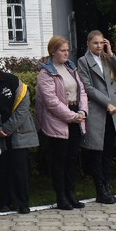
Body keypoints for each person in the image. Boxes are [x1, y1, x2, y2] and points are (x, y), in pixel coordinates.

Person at [76, 31, 116, 205]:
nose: (99, 46)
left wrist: (111, 54)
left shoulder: (107, 58)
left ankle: (108, 186)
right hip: (99, 110)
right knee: (97, 151)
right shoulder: (83, 61)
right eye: (95, 43)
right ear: (88, 44)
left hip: (114, 110)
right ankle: (100, 189)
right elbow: (88, 87)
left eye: (101, 43)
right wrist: (107, 103)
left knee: (108, 151)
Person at [36, 36, 88, 210]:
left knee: (72, 158)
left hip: (75, 115)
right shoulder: (46, 73)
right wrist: (70, 116)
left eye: (67, 50)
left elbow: (82, 92)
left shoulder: (71, 68)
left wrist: (82, 111)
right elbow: (51, 101)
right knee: (60, 159)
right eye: (62, 50)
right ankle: (61, 197)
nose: (66, 53)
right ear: (53, 52)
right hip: (58, 120)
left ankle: (71, 194)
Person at [0, 59, 36, 215]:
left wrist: (7, 128)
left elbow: (23, 108)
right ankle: (4, 202)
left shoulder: (11, 80)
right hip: (0, 133)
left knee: (20, 169)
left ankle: (22, 202)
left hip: (16, 130)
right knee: (3, 168)